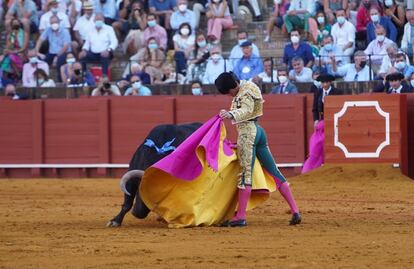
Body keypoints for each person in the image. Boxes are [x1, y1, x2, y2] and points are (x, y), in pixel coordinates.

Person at [215, 71, 301, 227]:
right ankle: (295, 211)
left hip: (248, 133)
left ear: (232, 88)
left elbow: (246, 110)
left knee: (245, 175)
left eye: (229, 93)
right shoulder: (250, 85)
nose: (229, 96)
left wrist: (230, 114)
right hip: (259, 131)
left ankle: (240, 217)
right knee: (274, 172)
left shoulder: (243, 92)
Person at [302, 73, 343, 173]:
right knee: (317, 143)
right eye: (322, 82)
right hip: (322, 121)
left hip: (334, 121)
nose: (324, 84)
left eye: (326, 82)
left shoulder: (337, 92)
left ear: (330, 82)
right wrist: (316, 120)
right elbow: (314, 109)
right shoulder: (318, 92)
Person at [0, 18, 28, 82]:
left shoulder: (24, 34)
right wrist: (13, 36)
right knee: (4, 60)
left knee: (10, 57)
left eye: (16, 23)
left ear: (19, 24)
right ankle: (10, 79)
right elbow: (8, 47)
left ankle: (18, 76)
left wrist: (14, 51)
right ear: (11, 25)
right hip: (12, 52)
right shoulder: (10, 35)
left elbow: (24, 47)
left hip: (21, 52)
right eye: (14, 23)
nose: (15, 24)